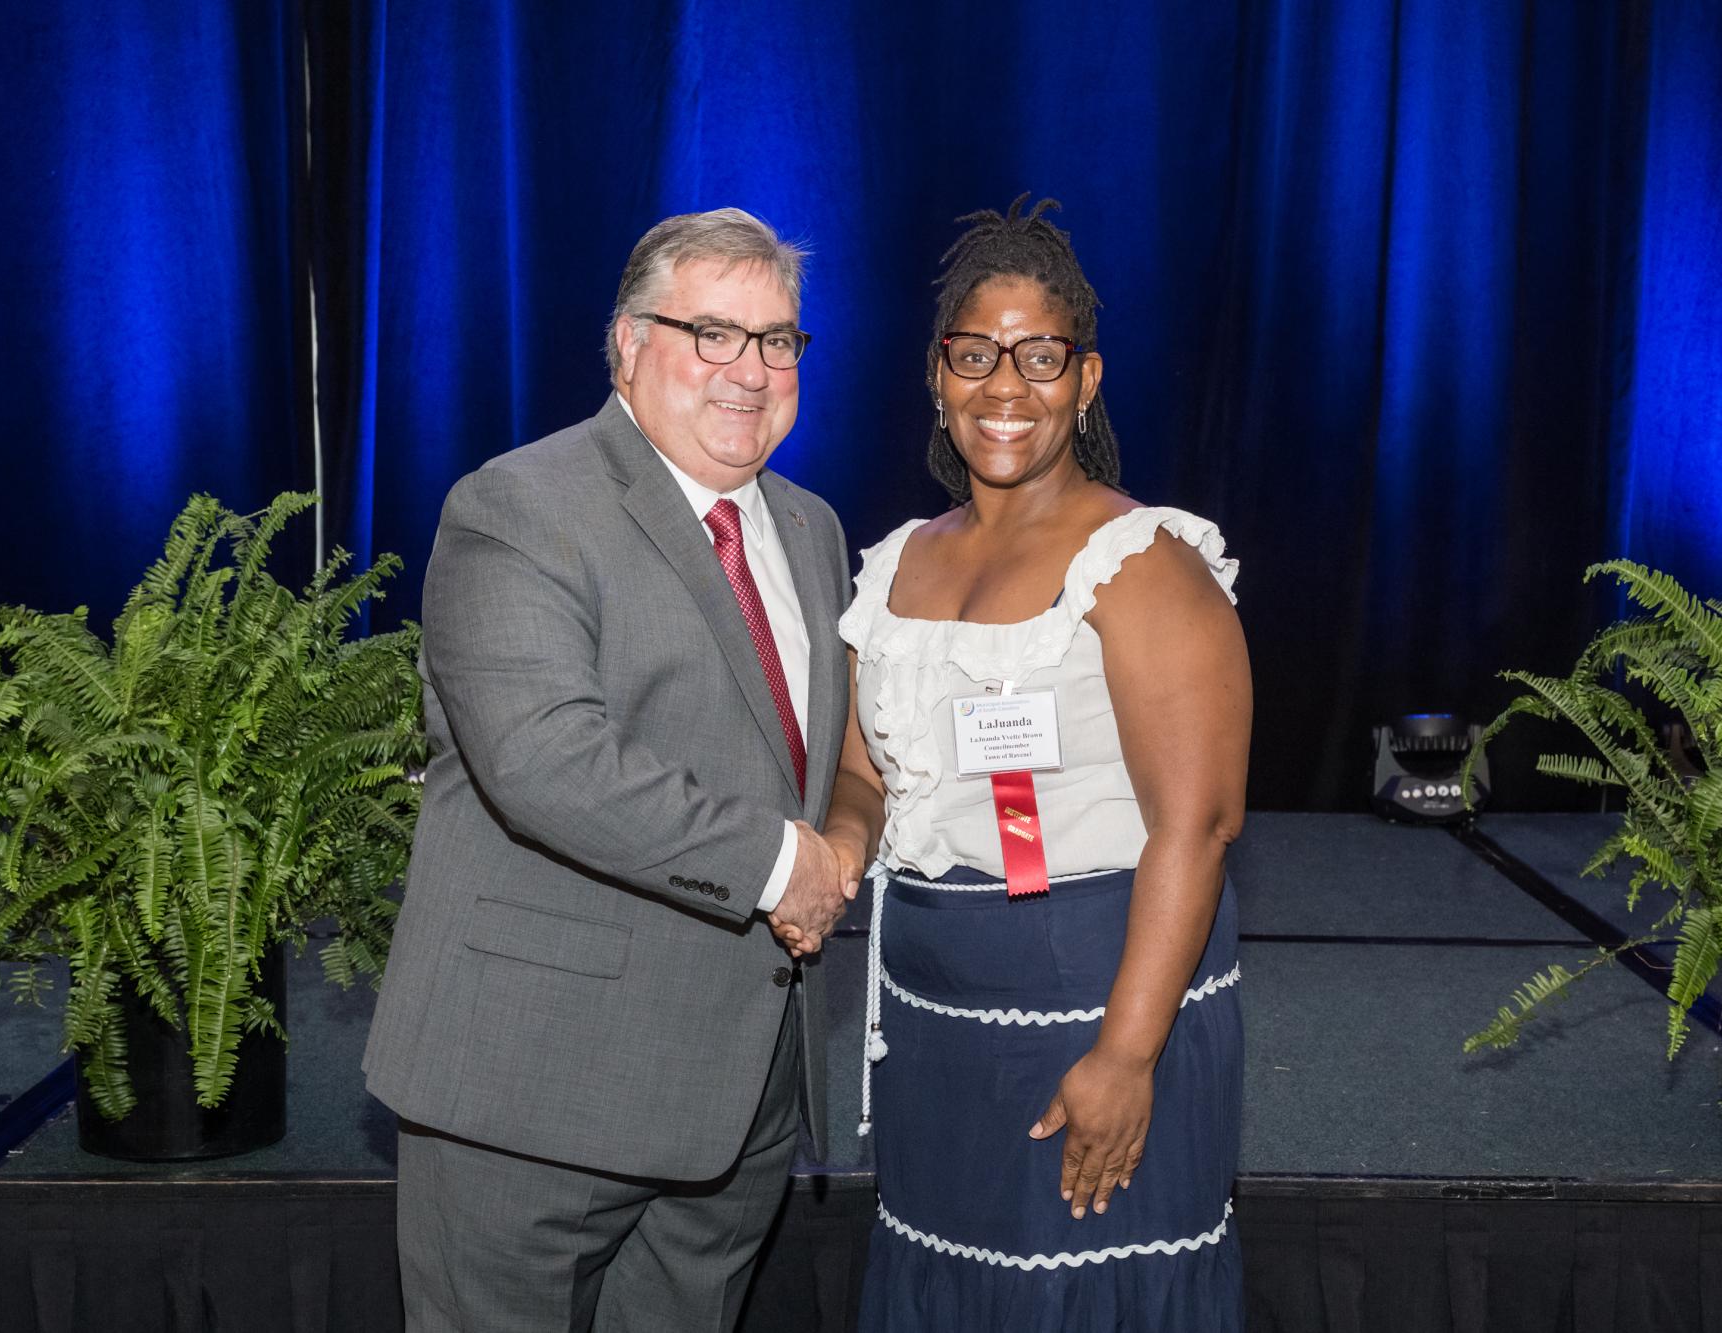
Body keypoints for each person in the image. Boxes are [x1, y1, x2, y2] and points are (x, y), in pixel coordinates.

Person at [362, 207, 857, 1333]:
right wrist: (781, 865)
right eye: (712, 333)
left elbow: (811, 761)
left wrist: (841, 842)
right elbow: (544, 759)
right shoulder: (519, 505)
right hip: (534, 1091)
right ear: (629, 343)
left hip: (738, 1101)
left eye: (777, 339)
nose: (750, 369)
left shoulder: (811, 528)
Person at [817, 197, 1251, 1330]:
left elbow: (1198, 824)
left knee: (1084, 1293)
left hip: (1096, 1000)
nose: (1004, 385)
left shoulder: (1142, 562)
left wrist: (1127, 1053)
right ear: (937, 374)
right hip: (930, 1021)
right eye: (975, 354)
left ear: (1085, 379)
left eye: (1039, 356)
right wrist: (838, 850)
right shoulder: (893, 564)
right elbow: (865, 775)